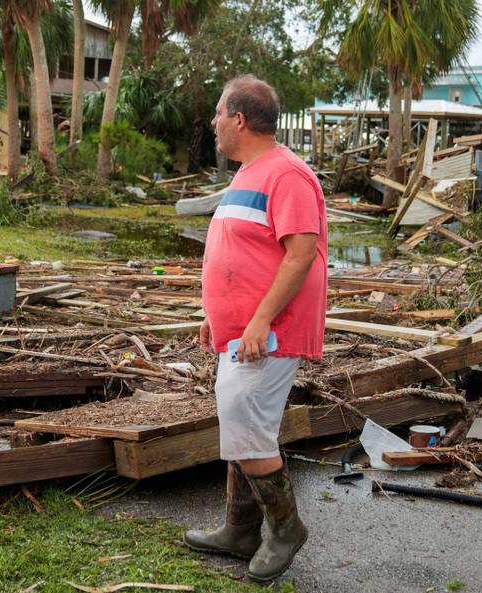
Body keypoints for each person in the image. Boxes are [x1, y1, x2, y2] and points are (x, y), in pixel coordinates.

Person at [183, 75, 328, 582]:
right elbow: (242, 251)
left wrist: (260, 318)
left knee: (247, 426)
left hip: (269, 333)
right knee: (240, 425)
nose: (214, 124)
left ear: (239, 119)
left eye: (219, 114)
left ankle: (285, 528)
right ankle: (239, 529)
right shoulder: (250, 172)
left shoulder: (287, 174)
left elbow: (301, 253)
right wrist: (216, 315)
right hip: (241, 331)